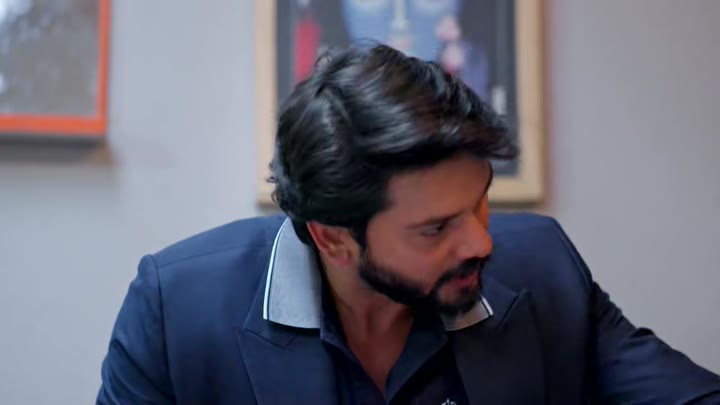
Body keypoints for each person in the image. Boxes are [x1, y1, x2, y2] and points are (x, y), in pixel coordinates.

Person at [97, 45, 720, 404]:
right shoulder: (176, 312)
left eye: (480, 202)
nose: (482, 241)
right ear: (333, 238)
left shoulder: (544, 266)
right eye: (436, 228)